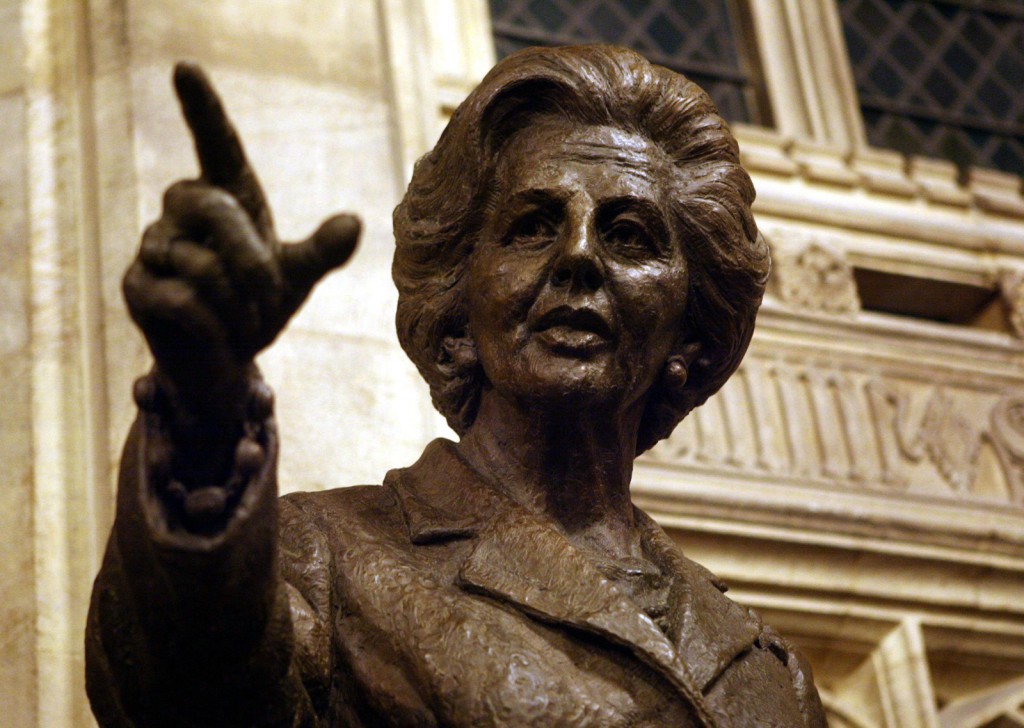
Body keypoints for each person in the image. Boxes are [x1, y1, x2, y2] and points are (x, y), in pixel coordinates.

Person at [86, 45, 826, 727]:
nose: (577, 256)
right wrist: (203, 403)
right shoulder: (323, 558)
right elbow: (181, 695)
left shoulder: (768, 673)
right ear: (458, 306)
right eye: (532, 226)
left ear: (690, 338)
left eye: (629, 234)